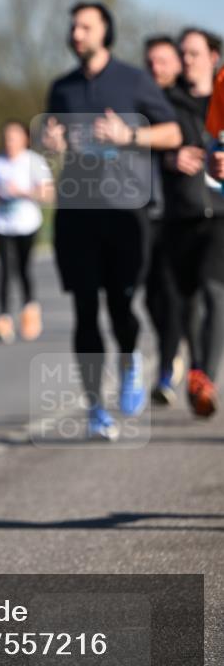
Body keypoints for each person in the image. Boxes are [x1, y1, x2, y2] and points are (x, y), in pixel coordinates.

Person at [44, 2, 181, 441]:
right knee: (85, 311)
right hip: (76, 215)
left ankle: (129, 362)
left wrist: (130, 136)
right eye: (72, 25)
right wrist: (52, 140)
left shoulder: (134, 80)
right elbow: (55, 140)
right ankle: (95, 408)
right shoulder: (61, 88)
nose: (75, 32)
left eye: (85, 25)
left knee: (122, 307)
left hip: (125, 213)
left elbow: (173, 133)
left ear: (105, 32)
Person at [161, 28, 223, 417]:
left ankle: (205, 377)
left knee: (214, 290)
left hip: (220, 213)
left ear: (214, 56)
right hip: (179, 214)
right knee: (186, 302)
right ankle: (195, 365)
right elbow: (145, 152)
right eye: (182, 53)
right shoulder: (167, 101)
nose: (187, 60)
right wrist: (168, 160)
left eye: (194, 53)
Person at [143, 36, 185, 404]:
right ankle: (171, 352)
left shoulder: (185, 101)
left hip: (184, 215)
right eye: (150, 61)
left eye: (163, 60)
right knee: (153, 297)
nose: (156, 67)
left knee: (176, 295)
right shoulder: (139, 100)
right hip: (145, 213)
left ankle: (169, 368)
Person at [0, 120, 53, 344]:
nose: (9, 142)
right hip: (2, 224)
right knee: (4, 270)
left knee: (24, 269)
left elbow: (48, 194)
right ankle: (3, 319)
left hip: (27, 223)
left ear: (25, 139)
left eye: (14, 137)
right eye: (6, 137)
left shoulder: (34, 161)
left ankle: (29, 312)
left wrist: (23, 192)